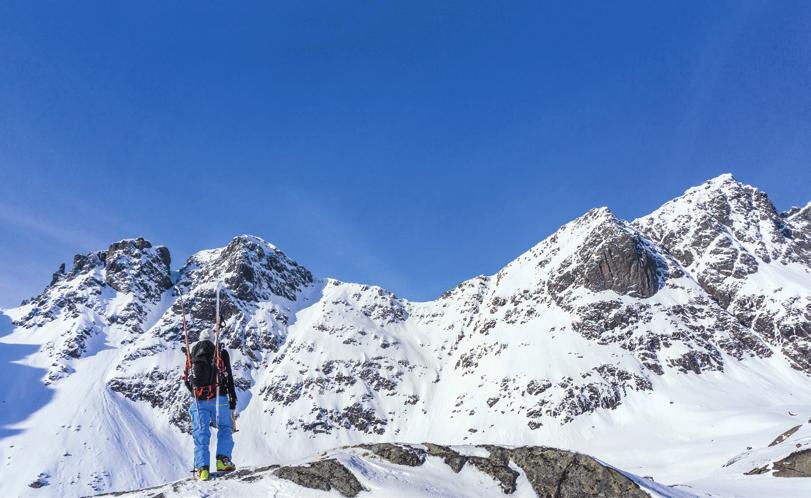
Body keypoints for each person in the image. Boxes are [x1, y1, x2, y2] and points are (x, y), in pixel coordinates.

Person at [183, 329, 238, 481]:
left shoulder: (191, 355)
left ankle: (203, 469)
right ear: (213, 339)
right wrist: (232, 397)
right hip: (219, 398)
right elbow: (229, 376)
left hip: (198, 400)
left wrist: (196, 392)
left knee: (200, 434)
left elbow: (187, 379)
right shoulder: (220, 352)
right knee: (225, 428)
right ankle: (223, 460)